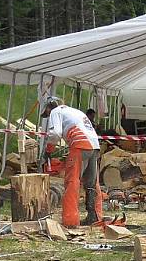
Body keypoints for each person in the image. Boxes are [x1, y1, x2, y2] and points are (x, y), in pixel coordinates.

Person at [42, 96, 103, 227]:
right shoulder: (75, 111)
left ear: (49, 107)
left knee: (72, 182)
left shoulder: (56, 111)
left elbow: (55, 133)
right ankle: (95, 216)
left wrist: (48, 150)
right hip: (94, 144)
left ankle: (70, 220)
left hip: (80, 144)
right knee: (92, 183)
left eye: (47, 112)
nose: (48, 116)